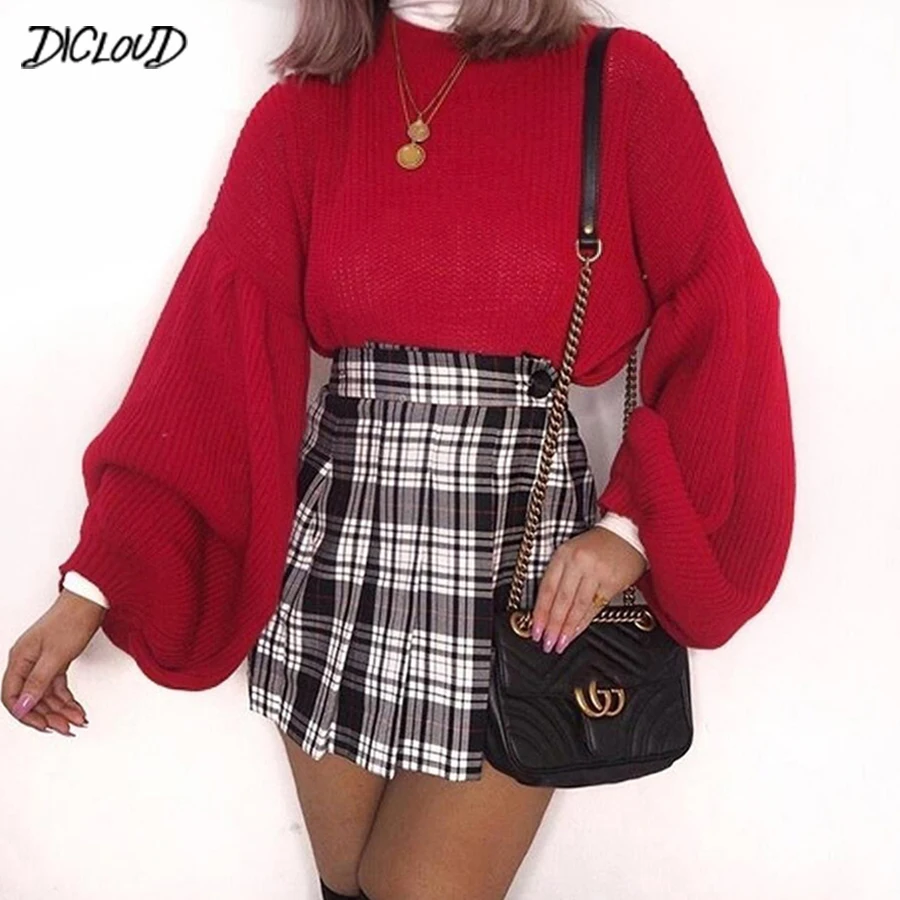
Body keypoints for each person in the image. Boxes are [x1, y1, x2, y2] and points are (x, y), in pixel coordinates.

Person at [3, 1, 796, 897]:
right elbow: (211, 352)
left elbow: (725, 307)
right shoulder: (306, 109)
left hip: (520, 558)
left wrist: (632, 528)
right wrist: (92, 586)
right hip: (339, 552)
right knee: (348, 886)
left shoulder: (619, 82)